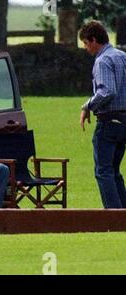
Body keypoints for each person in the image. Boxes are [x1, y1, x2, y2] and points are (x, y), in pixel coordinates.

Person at [79, 20, 126, 208]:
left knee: (103, 171)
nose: (85, 48)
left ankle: (113, 216)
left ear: (93, 40)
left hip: (109, 121)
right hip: (124, 121)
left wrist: (87, 106)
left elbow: (107, 91)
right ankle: (123, 213)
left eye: (85, 43)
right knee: (114, 171)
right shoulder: (123, 56)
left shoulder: (103, 60)